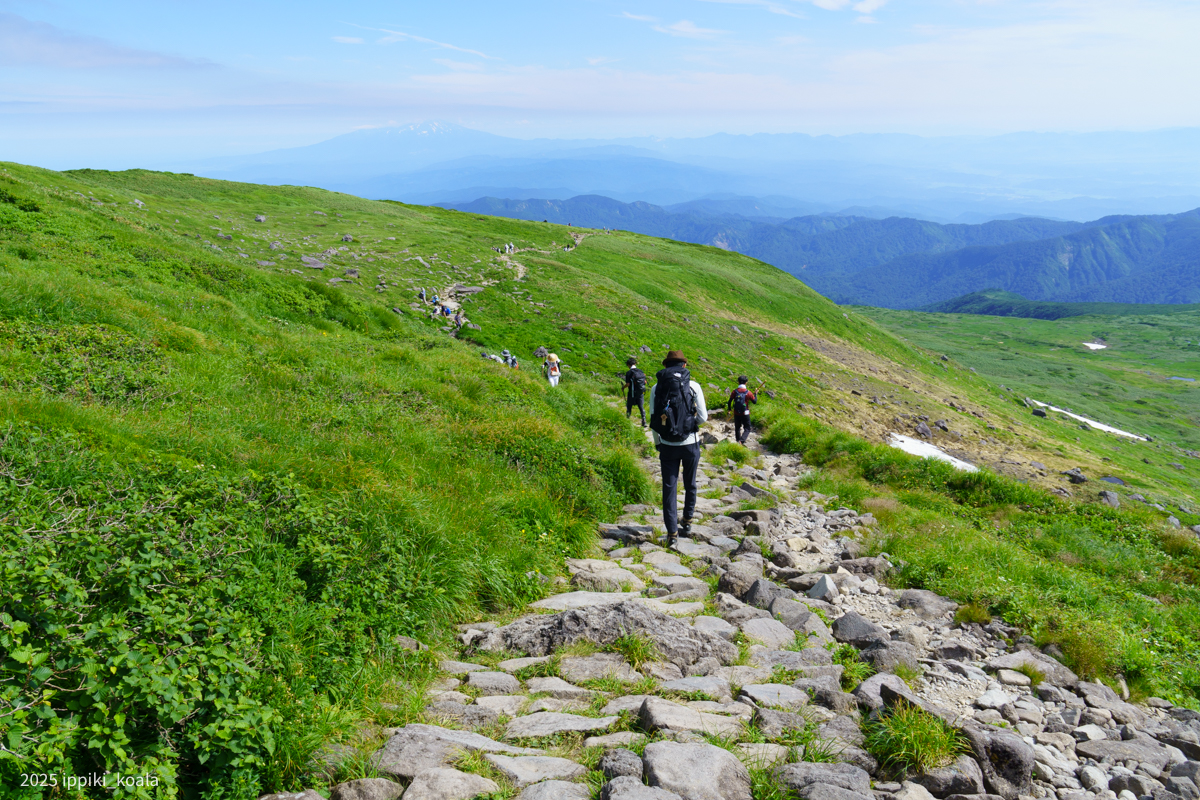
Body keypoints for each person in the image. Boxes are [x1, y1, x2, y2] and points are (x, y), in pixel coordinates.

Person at [648, 351, 708, 548]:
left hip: (667, 445)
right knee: (690, 482)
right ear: (683, 365)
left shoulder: (656, 387)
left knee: (669, 488)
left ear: (666, 366)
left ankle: (672, 533)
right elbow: (703, 417)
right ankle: (687, 522)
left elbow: (654, 419)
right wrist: (689, 423)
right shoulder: (694, 386)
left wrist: (659, 442)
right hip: (690, 442)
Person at [727, 376, 758, 444]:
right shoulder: (748, 393)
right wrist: (755, 394)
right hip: (745, 413)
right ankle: (741, 441)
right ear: (746, 383)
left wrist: (729, 409)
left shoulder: (734, 392)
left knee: (737, 428)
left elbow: (729, 402)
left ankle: (738, 441)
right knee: (747, 428)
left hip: (736, 413)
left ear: (738, 382)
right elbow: (754, 401)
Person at [622, 357, 647, 427]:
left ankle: (627, 420)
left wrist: (623, 388)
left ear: (628, 365)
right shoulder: (640, 371)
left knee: (629, 406)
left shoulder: (629, 373)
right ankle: (644, 421)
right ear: (635, 363)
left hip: (632, 393)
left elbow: (628, 384)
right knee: (641, 406)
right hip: (640, 392)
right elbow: (645, 382)